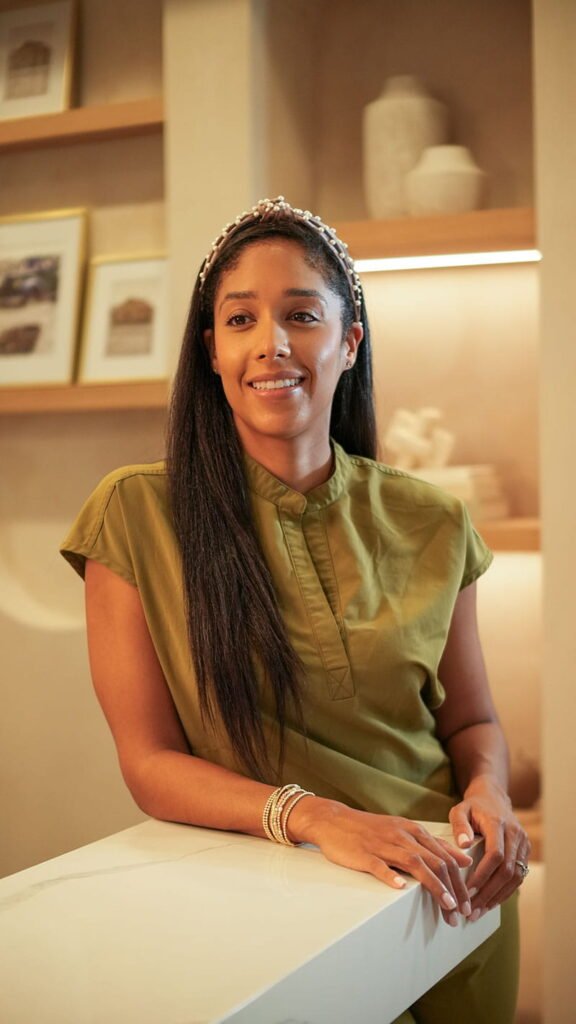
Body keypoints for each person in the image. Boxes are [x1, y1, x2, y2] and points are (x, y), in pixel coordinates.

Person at [61, 196, 529, 1022]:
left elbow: (470, 721)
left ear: (349, 343)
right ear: (212, 350)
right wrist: (318, 818)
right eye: (240, 319)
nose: (271, 343)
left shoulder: (434, 518)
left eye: (302, 315)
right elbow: (149, 763)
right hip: (274, 915)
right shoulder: (135, 513)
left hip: (454, 896)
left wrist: (490, 793)